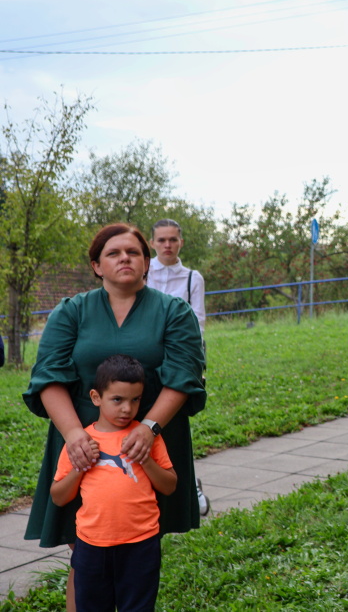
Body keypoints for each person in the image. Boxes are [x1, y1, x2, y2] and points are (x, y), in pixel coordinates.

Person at [23, 223, 205, 612]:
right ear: (96, 266)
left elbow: (184, 376)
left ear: (147, 263)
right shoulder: (71, 311)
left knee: (139, 542)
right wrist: (74, 435)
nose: (125, 258)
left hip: (150, 438)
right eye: (113, 253)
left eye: (134, 252)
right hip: (81, 441)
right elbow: (47, 377)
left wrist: (148, 428)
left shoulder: (174, 311)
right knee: (83, 549)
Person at [51, 354, 176, 612]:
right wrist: (80, 467)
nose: (127, 409)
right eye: (117, 400)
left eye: (135, 400)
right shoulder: (81, 442)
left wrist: (146, 460)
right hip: (92, 546)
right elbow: (58, 497)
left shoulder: (145, 438)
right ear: (96, 397)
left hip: (141, 544)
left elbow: (169, 485)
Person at [145, 218, 210, 517]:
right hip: (146, 356)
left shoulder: (192, 278)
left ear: (181, 242)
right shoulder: (143, 272)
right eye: (162, 240)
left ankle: (189, 483)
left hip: (180, 359)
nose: (167, 245)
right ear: (152, 243)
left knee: (175, 422)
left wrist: (195, 363)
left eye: (173, 239)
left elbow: (198, 322)